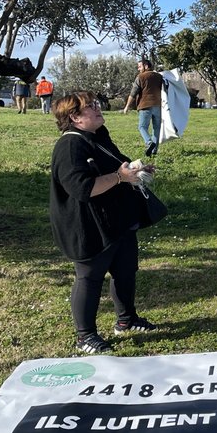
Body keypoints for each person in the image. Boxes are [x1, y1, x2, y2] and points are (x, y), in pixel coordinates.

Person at [50, 91, 158, 353]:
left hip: (116, 218)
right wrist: (120, 178)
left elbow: (116, 165)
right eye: (91, 107)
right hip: (87, 225)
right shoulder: (70, 146)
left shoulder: (99, 135)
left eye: (96, 104)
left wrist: (135, 171)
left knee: (125, 270)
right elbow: (82, 188)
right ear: (74, 117)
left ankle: (126, 320)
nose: (98, 109)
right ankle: (85, 336)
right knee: (89, 277)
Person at [124, 59, 163, 157]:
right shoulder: (159, 76)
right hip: (158, 105)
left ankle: (149, 143)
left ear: (146, 66)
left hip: (145, 105)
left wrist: (127, 106)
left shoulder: (141, 77)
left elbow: (133, 93)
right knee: (156, 128)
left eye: (139, 66)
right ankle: (154, 151)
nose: (138, 69)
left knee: (142, 127)